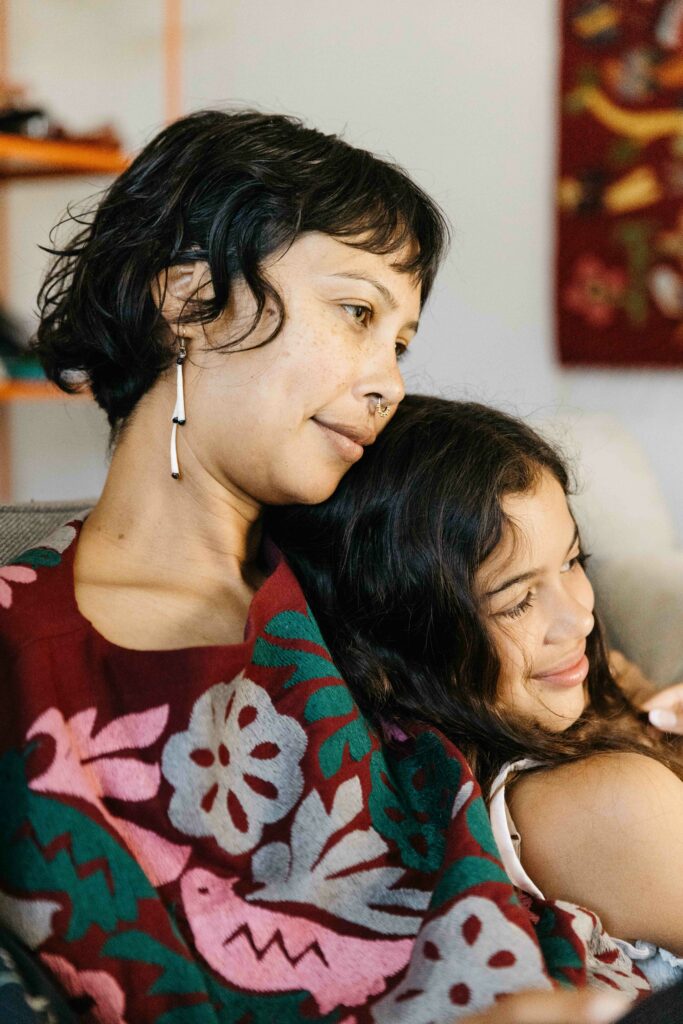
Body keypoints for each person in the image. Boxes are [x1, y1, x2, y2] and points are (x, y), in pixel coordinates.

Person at [0, 109, 672, 1024]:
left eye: (398, 342)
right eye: (356, 313)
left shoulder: (359, 547)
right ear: (190, 302)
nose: (388, 381)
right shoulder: (32, 651)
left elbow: (559, 660)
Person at [268, 395, 683, 995]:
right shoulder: (609, 805)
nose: (580, 618)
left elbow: (612, 668)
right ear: (398, 651)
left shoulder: (537, 725)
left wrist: (637, 694)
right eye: (517, 600)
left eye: (572, 561)